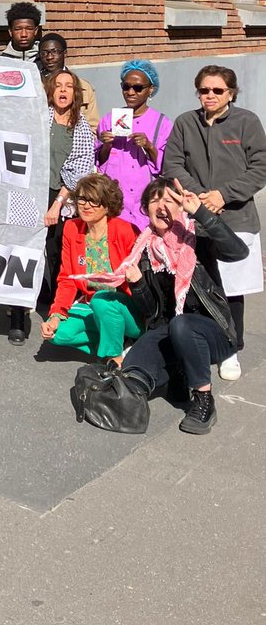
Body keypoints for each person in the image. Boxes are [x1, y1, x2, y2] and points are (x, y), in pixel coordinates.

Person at [117, 177, 249, 434]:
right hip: (171, 331)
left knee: (182, 325)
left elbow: (238, 251)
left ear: (180, 208)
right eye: (154, 201)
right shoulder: (146, 249)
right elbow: (152, 312)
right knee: (135, 360)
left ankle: (203, 400)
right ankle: (132, 395)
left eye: (168, 200)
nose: (161, 206)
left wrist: (200, 212)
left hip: (215, 334)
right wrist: (138, 285)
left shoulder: (197, 237)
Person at [162, 64, 266, 367]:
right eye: (204, 90)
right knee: (198, 285)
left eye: (217, 90)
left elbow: (259, 167)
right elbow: (173, 165)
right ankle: (200, 342)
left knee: (232, 289)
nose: (210, 95)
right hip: (194, 218)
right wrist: (201, 198)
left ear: (230, 93)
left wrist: (224, 194)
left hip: (235, 219)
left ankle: (231, 347)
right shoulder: (185, 123)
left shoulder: (247, 122)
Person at [9, 70, 95, 344]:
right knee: (22, 250)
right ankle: (17, 316)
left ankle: (56, 312)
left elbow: (80, 169)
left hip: (62, 198)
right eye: (58, 85)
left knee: (58, 255)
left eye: (69, 86)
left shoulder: (80, 128)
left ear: (75, 94)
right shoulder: (37, 118)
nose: (63, 90)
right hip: (30, 192)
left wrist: (57, 203)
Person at [40, 173, 139, 360]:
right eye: (82, 199)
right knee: (57, 334)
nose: (86, 205)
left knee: (102, 299)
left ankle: (113, 357)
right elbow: (67, 279)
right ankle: (119, 343)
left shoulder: (125, 230)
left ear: (108, 204)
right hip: (90, 303)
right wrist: (56, 314)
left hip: (125, 307)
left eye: (94, 201)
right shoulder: (72, 228)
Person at [96, 60, 172, 230]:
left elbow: (167, 166)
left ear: (150, 89)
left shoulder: (162, 123)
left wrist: (149, 146)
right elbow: (99, 164)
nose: (131, 92)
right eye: (126, 86)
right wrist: (106, 145)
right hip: (115, 205)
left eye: (138, 88)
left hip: (144, 204)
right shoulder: (109, 120)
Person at [37, 32, 100, 132]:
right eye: (44, 53)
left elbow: (93, 128)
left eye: (55, 52)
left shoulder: (83, 87)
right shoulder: (34, 86)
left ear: (65, 53)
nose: (49, 57)